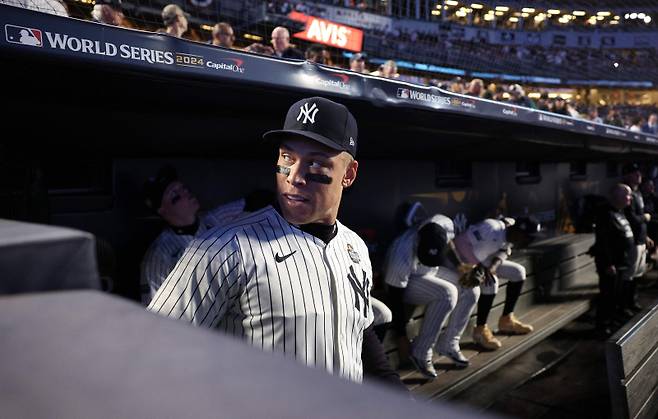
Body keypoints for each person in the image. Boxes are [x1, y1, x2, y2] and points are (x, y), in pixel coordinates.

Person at [148, 97, 403, 388]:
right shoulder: (223, 247)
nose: (295, 177)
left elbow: (360, 332)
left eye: (316, 163)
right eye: (287, 158)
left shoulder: (354, 247)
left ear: (348, 174)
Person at [139, 165, 259, 305]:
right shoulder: (159, 255)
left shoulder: (212, 221)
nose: (186, 193)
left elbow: (255, 201)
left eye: (183, 188)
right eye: (175, 193)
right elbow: (156, 311)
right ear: (162, 210)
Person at [384, 213, 480, 378]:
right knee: (447, 293)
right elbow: (394, 296)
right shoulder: (401, 252)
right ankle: (421, 352)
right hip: (407, 280)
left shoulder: (443, 223)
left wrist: (460, 266)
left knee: (470, 289)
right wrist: (401, 336)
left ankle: (449, 344)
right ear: (419, 241)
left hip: (429, 271)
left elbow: (449, 242)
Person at [453, 217, 535, 350]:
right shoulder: (491, 227)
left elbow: (503, 251)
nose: (528, 241)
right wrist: (478, 267)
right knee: (491, 283)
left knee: (518, 272)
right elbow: (460, 242)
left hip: (483, 262)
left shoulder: (512, 234)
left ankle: (506, 320)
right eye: (527, 237)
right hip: (463, 262)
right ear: (519, 232)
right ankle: (480, 330)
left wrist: (492, 268)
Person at [590, 184, 634, 336]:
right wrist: (608, 263)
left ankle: (612, 319)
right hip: (611, 264)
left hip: (622, 261)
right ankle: (602, 326)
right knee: (607, 296)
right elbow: (603, 241)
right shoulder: (606, 214)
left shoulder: (619, 212)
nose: (630, 198)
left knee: (616, 295)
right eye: (627, 195)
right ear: (618, 197)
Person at [622, 163, 654, 311]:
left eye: (639, 173)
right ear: (628, 175)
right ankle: (624, 305)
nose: (638, 175)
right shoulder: (626, 193)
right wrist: (645, 218)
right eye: (635, 173)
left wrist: (646, 236)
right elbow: (631, 218)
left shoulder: (638, 193)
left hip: (641, 240)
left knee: (637, 274)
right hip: (632, 241)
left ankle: (632, 302)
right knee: (628, 276)